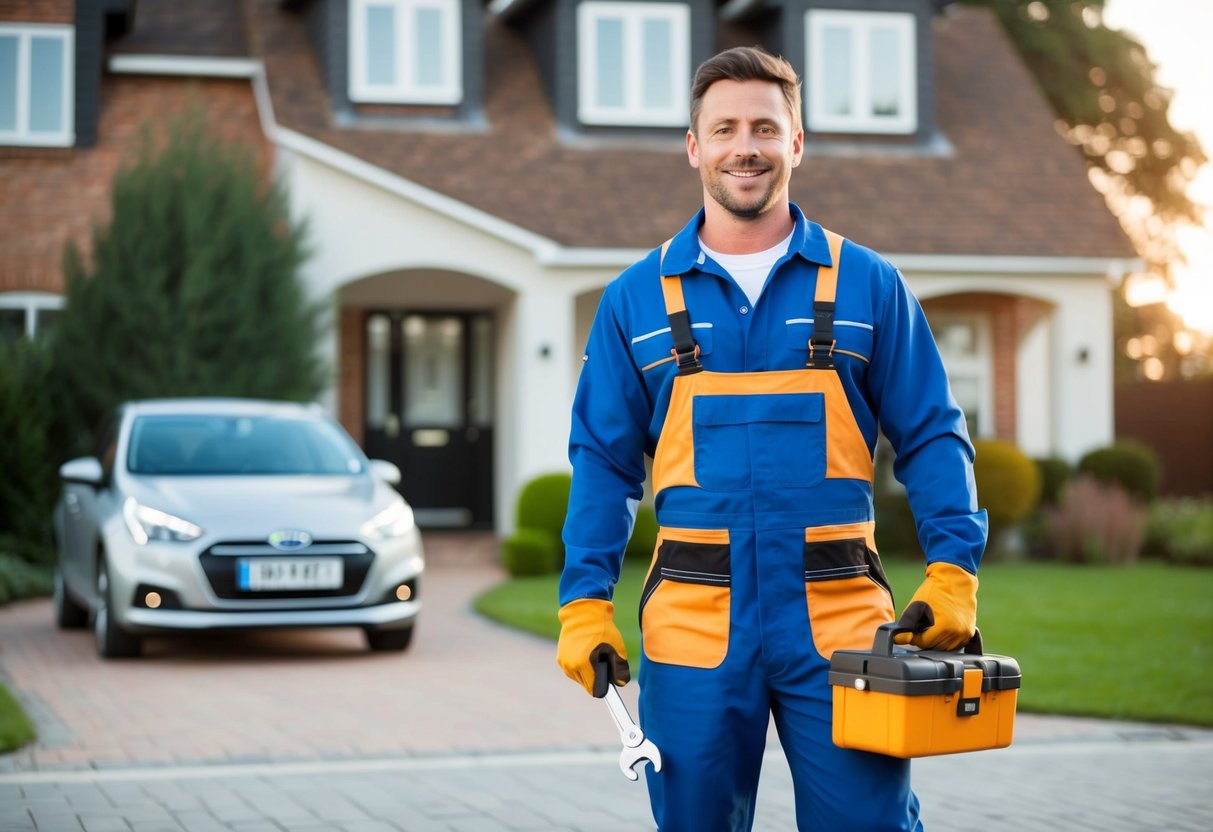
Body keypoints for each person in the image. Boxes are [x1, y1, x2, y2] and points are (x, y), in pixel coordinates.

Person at [556, 46, 986, 832]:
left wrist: (953, 569)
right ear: (694, 148)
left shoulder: (867, 284)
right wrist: (583, 602)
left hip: (841, 626)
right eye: (722, 128)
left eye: (763, 126)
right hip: (691, 629)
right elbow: (603, 464)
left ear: (796, 142)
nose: (742, 146)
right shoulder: (633, 301)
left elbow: (930, 434)